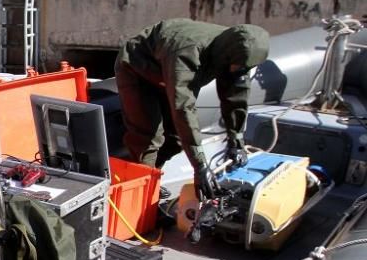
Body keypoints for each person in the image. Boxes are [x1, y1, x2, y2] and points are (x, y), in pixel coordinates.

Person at [115, 18, 270, 199]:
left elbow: (236, 96)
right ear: (228, 56)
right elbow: (183, 107)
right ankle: (142, 195)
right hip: (137, 68)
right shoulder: (187, 52)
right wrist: (200, 166)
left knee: (175, 139)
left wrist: (236, 141)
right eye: (238, 67)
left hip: (166, 74)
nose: (239, 70)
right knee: (149, 137)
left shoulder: (233, 54)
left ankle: (151, 177)